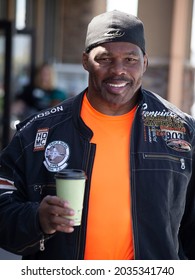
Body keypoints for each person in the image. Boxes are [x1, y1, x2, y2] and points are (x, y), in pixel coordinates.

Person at [0, 10, 195, 260]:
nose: (118, 70)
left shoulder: (181, 131)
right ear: (85, 61)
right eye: (104, 59)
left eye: (130, 60)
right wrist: (36, 219)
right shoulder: (38, 133)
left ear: (144, 62)